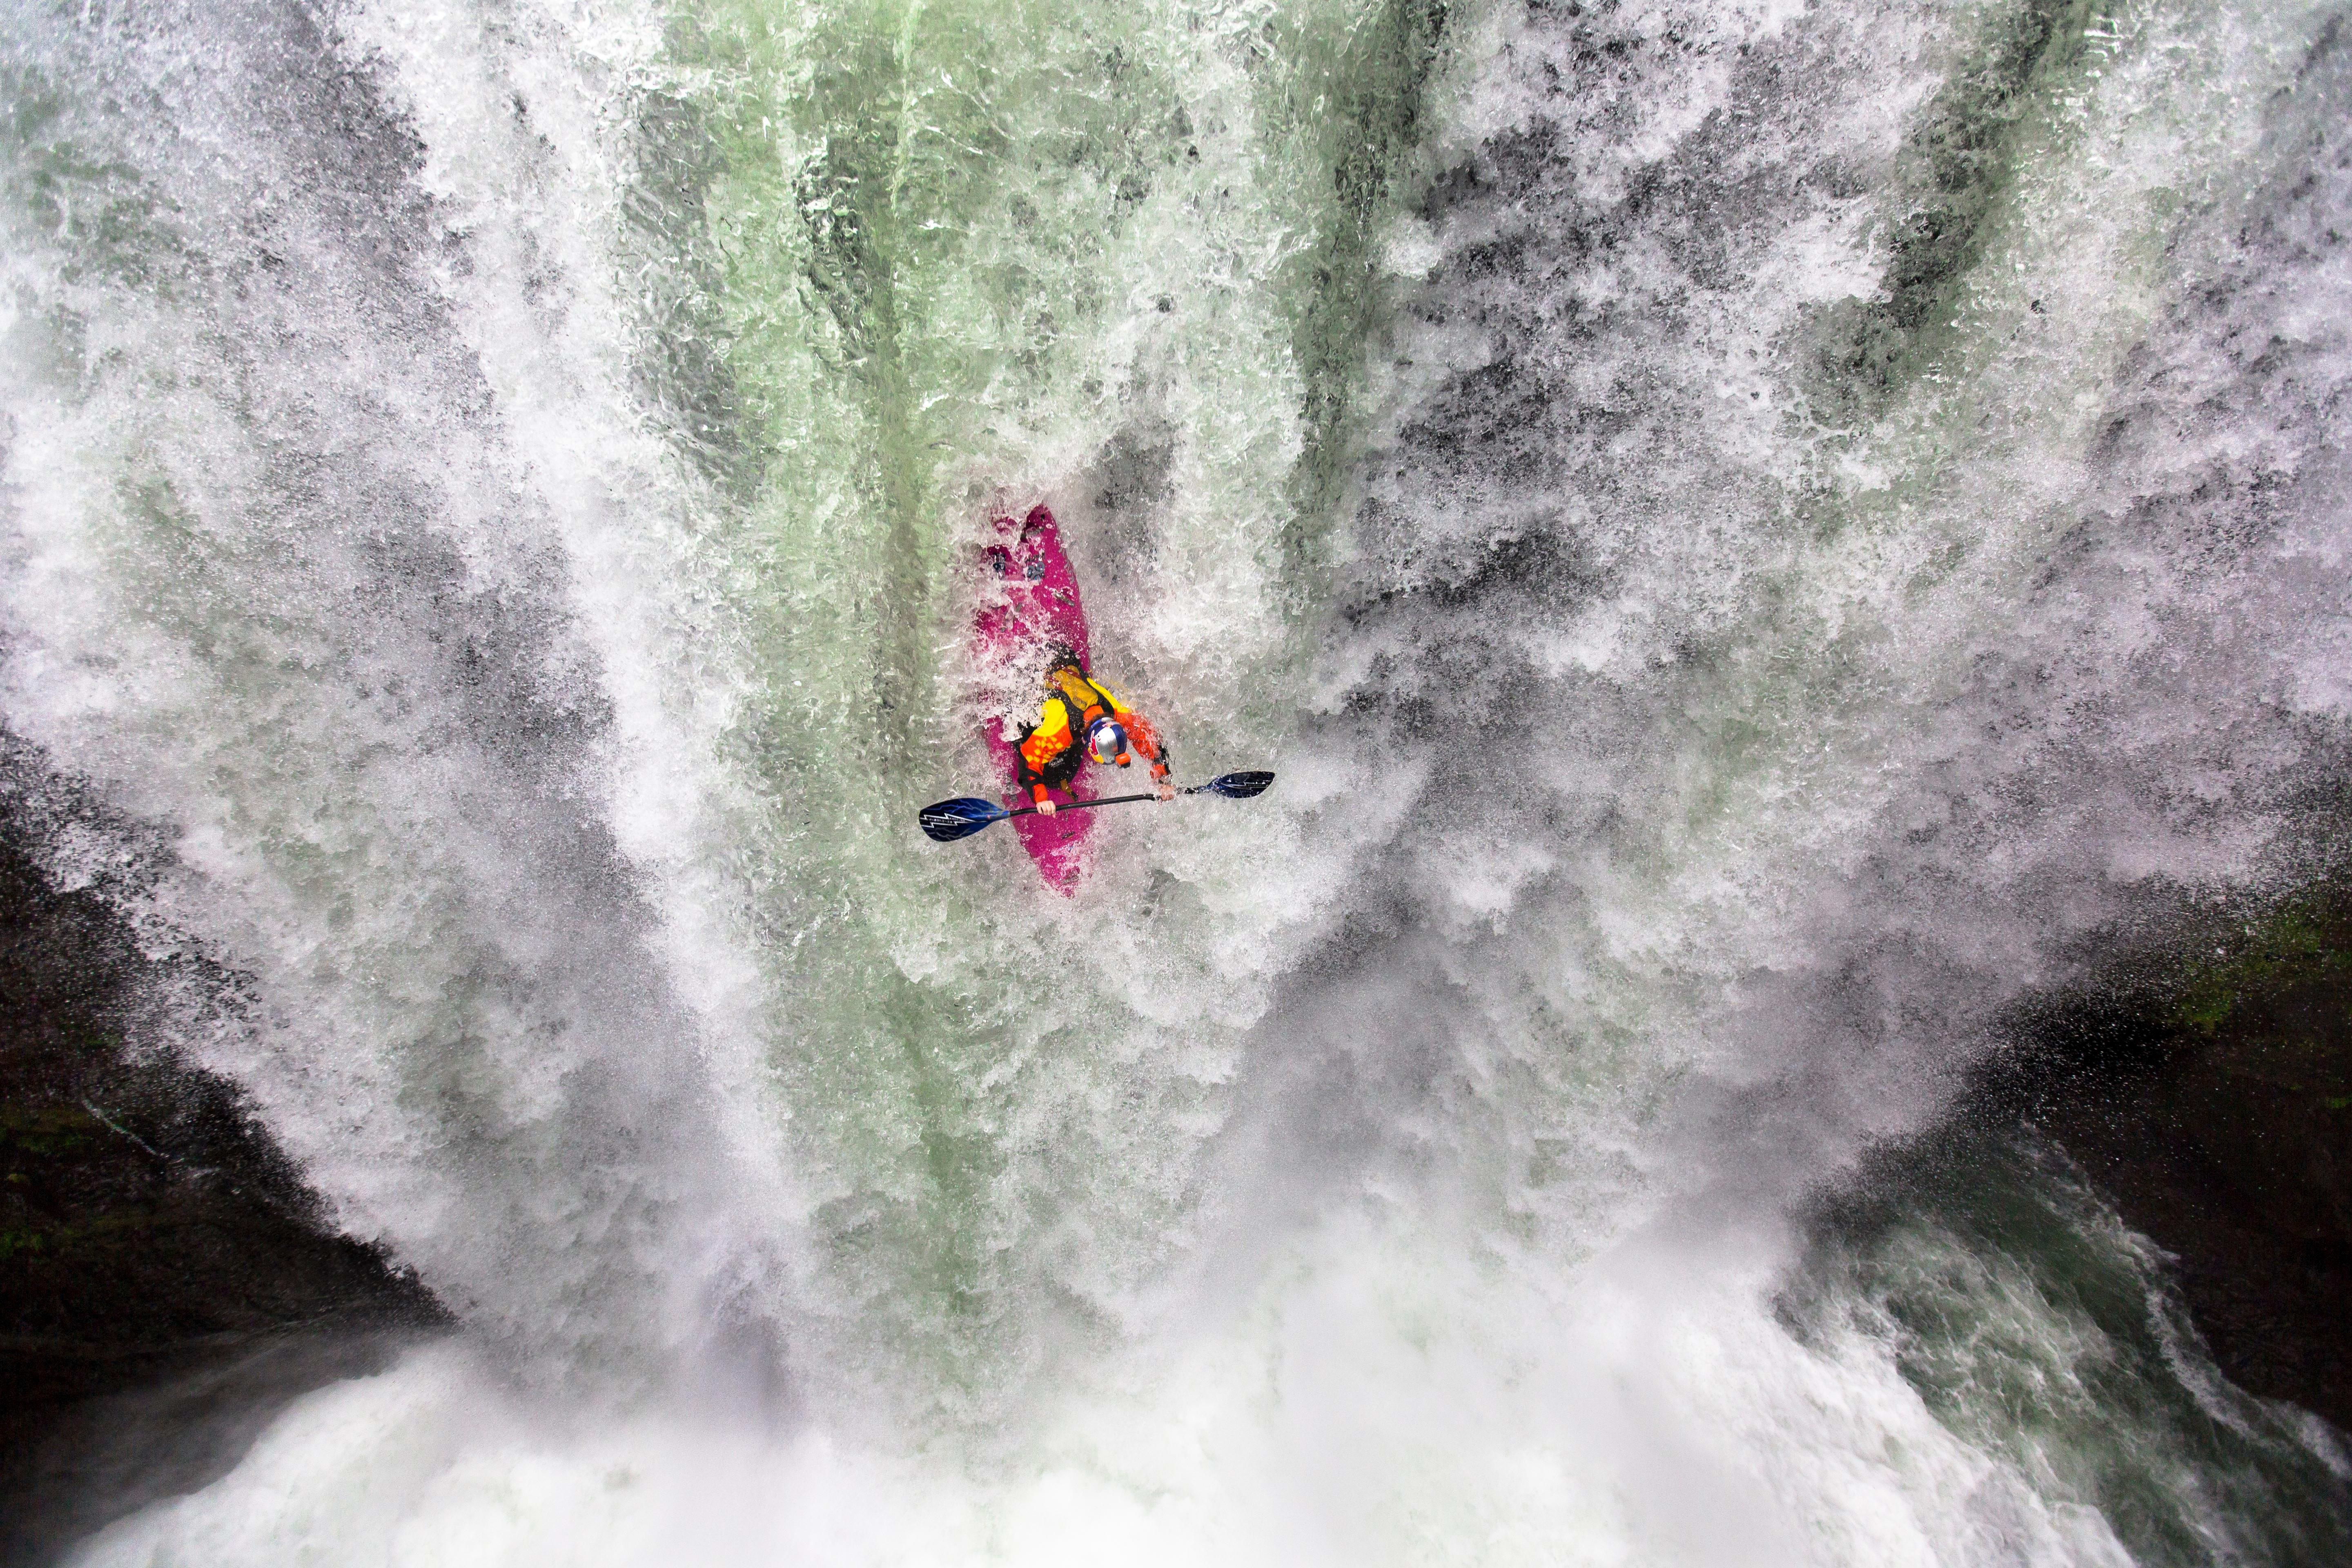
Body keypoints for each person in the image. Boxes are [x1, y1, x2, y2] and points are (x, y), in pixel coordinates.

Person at [1017, 652, 1174, 816]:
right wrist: (1041, 799)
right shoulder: (1061, 729)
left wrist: (1163, 780)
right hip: (1036, 674)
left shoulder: (1116, 713)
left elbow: (1148, 736)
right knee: (1038, 752)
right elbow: (1028, 758)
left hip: (1063, 659)